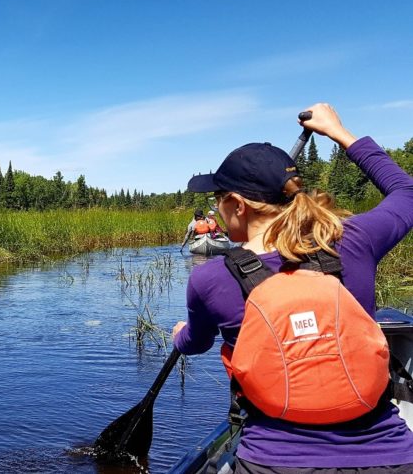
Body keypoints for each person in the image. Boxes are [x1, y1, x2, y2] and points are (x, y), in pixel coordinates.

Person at [172, 103, 413, 473]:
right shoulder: (354, 240)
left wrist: (179, 337)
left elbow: (197, 342)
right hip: (389, 455)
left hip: (272, 461)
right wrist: (340, 133)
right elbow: (407, 191)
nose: (216, 209)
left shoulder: (210, 279)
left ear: (237, 205)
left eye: (217, 199)